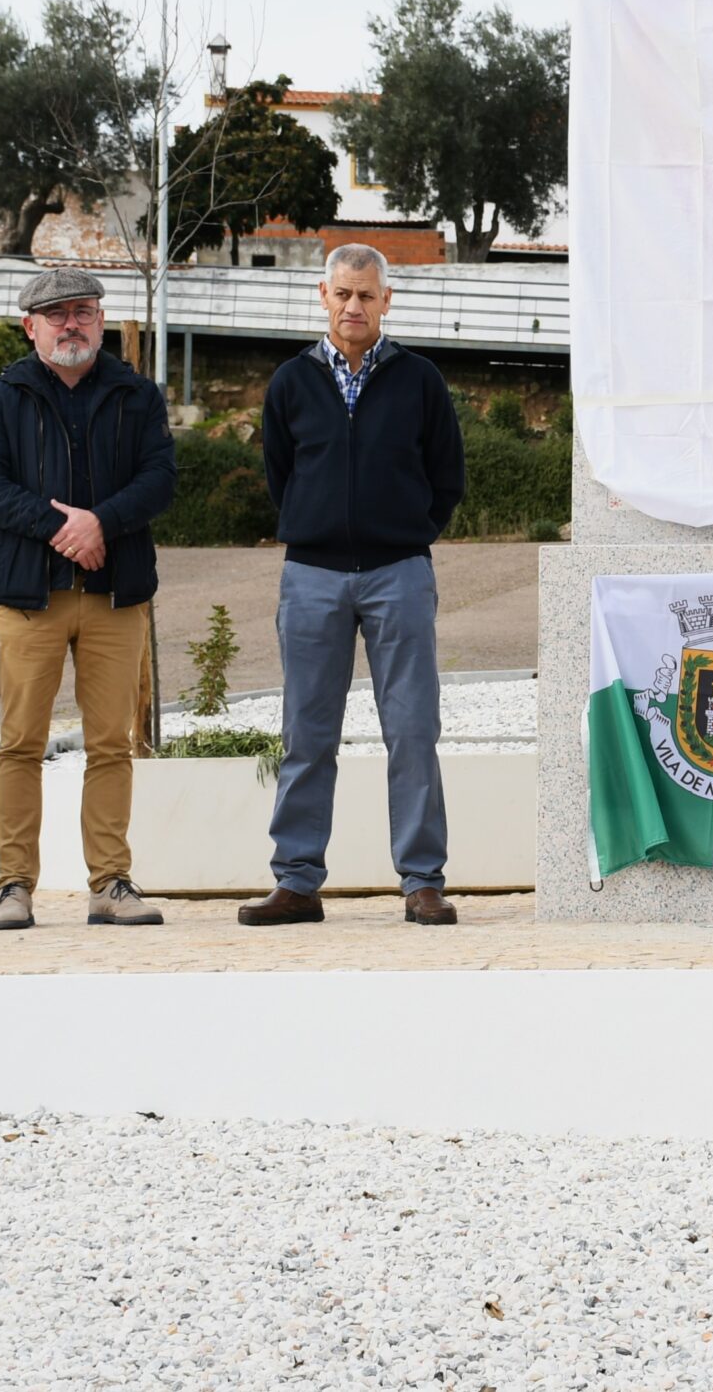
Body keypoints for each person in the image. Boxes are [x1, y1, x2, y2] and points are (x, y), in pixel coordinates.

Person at [240, 245, 467, 928]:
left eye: (367, 295)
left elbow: (446, 475)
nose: (354, 307)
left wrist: (405, 532)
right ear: (323, 296)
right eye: (343, 294)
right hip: (312, 577)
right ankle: (297, 881)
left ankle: (423, 880)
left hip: (399, 574)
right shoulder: (291, 383)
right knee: (307, 732)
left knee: (412, 730)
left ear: (387, 300)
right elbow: (281, 474)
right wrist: (316, 529)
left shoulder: (419, 380)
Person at [0, 269, 178, 932]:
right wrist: (59, 526)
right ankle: (13, 886)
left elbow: (161, 479)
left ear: (101, 320)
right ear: (30, 326)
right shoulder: (1, 397)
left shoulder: (136, 395)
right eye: (55, 314)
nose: (71, 324)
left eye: (82, 311)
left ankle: (111, 883)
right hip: (32, 597)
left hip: (116, 598)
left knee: (112, 743)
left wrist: (100, 523)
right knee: (20, 742)